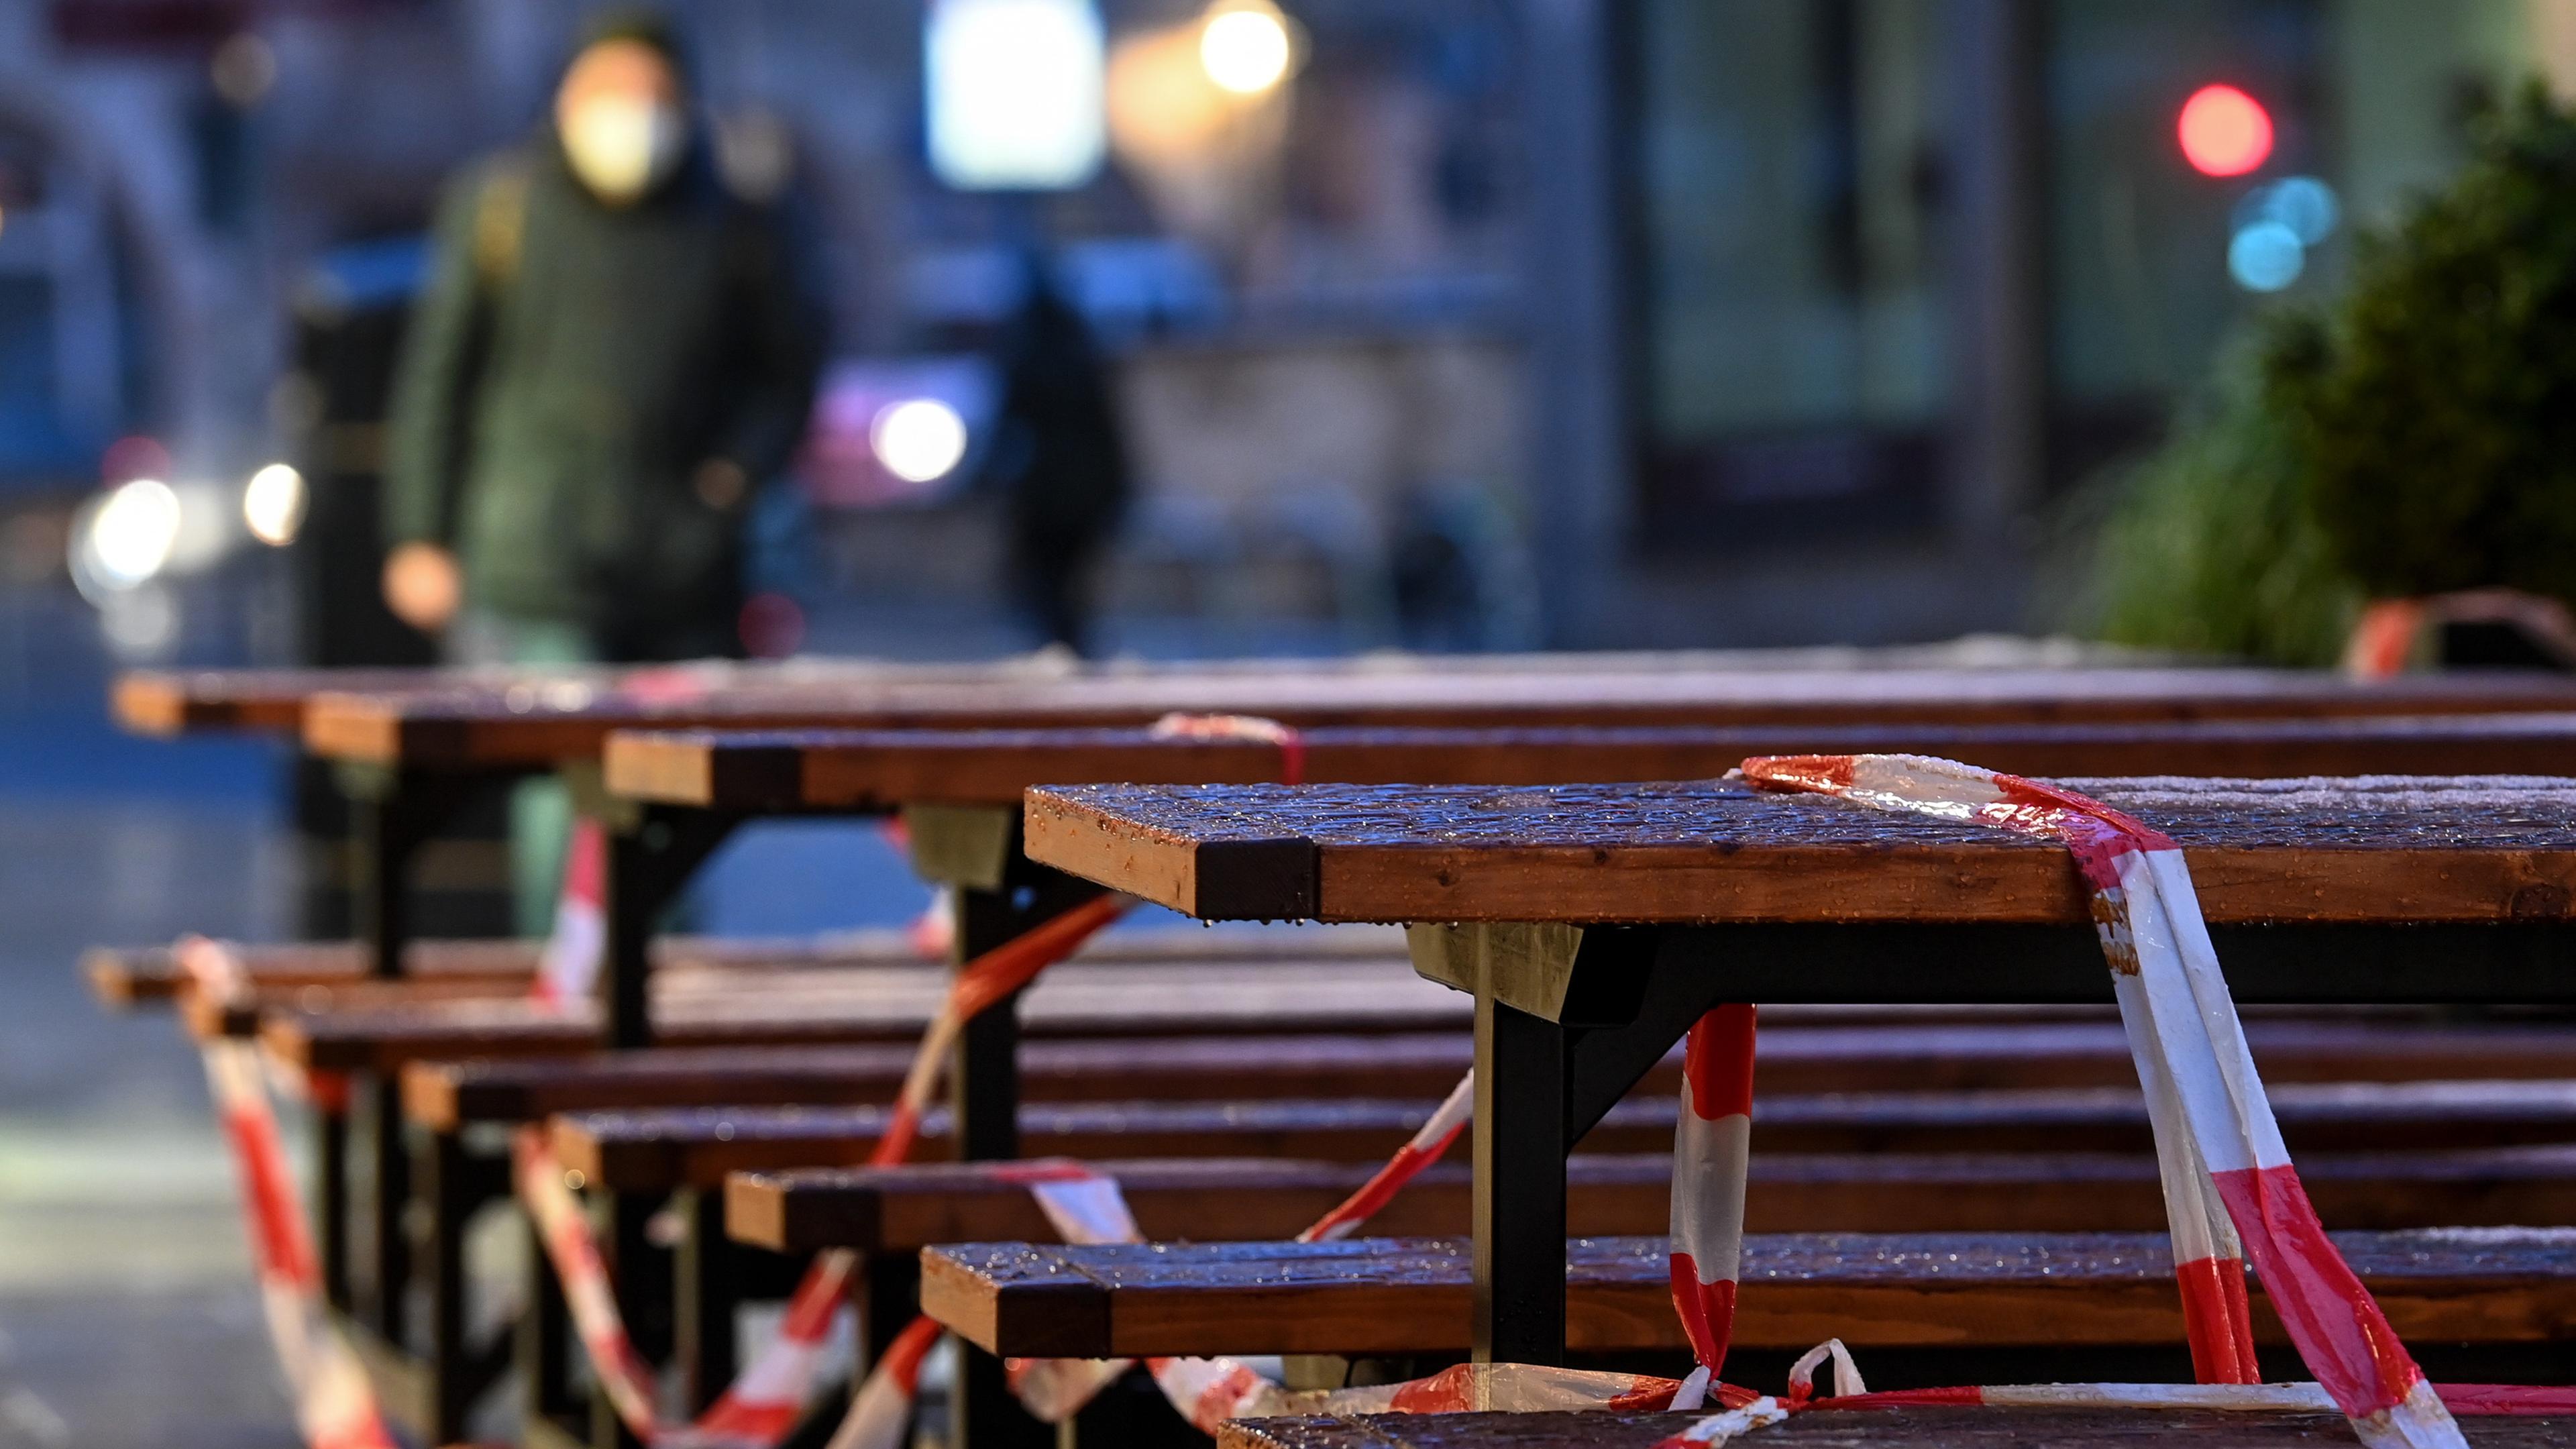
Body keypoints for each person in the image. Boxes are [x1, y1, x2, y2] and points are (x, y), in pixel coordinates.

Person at [381, 9, 824, 928]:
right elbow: (438, 376)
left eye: (651, 94)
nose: (631, 115)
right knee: (561, 802)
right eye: (609, 91)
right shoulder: (502, 203)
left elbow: (790, 367)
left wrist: (731, 482)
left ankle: (651, 1023)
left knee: (670, 811)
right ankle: (577, 1014)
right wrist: (419, 531)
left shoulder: (737, 217)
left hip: (681, 566)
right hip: (530, 556)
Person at [985, 260, 1131, 654]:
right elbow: (1111, 430)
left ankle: (1062, 656)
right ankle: (1070, 654)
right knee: (1067, 589)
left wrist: (981, 482)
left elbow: (1005, 426)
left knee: (1044, 587)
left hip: (1048, 494)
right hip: (1087, 492)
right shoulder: (1084, 351)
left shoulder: (1028, 354)